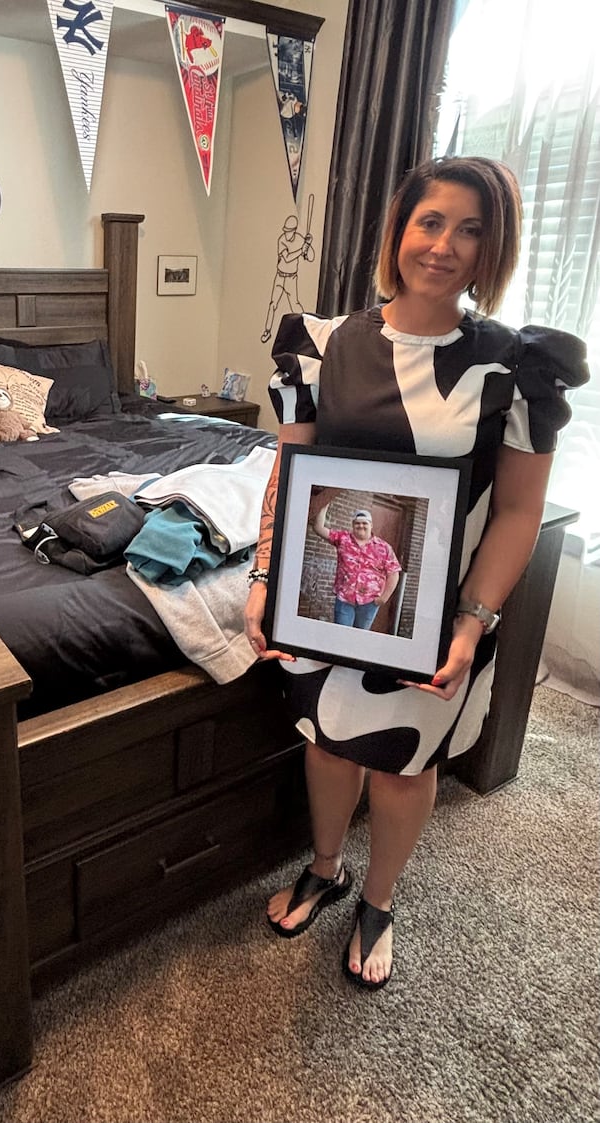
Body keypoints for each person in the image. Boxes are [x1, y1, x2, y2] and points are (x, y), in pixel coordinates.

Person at [243, 156, 589, 990]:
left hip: (434, 611)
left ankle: (381, 898)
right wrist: (264, 574)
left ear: (492, 249)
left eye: (471, 230)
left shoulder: (514, 370)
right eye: (430, 221)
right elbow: (290, 473)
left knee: (402, 764)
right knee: (326, 743)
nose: (444, 245)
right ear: (399, 229)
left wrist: (473, 623)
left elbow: (515, 513)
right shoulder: (320, 345)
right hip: (323, 598)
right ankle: (327, 868)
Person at [308, 496, 401, 629]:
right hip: (344, 599)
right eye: (357, 523)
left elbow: (394, 573)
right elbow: (318, 528)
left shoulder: (384, 547)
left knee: (359, 638)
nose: (361, 526)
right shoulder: (343, 539)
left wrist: (384, 597)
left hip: (369, 602)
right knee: (340, 634)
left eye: (365, 523)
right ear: (353, 525)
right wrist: (325, 503)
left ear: (371, 525)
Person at [260, 216, 316, 342]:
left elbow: (310, 257)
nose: (287, 233)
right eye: (285, 230)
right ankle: (267, 331)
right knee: (273, 304)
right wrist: (301, 250)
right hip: (280, 276)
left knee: (295, 305)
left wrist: (307, 245)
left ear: (294, 230)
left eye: (289, 231)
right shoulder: (281, 240)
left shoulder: (300, 240)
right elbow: (287, 257)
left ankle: (308, 329)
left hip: (291, 278)